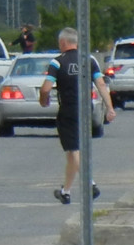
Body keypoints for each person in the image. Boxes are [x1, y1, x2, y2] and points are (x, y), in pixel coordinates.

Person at [40, 25, 116, 204]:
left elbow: (46, 87)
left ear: (63, 42)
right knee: (73, 153)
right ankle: (66, 191)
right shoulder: (89, 60)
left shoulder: (57, 62)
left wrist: (44, 100)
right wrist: (110, 108)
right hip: (86, 109)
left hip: (68, 110)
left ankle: (90, 183)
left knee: (74, 151)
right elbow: (101, 84)